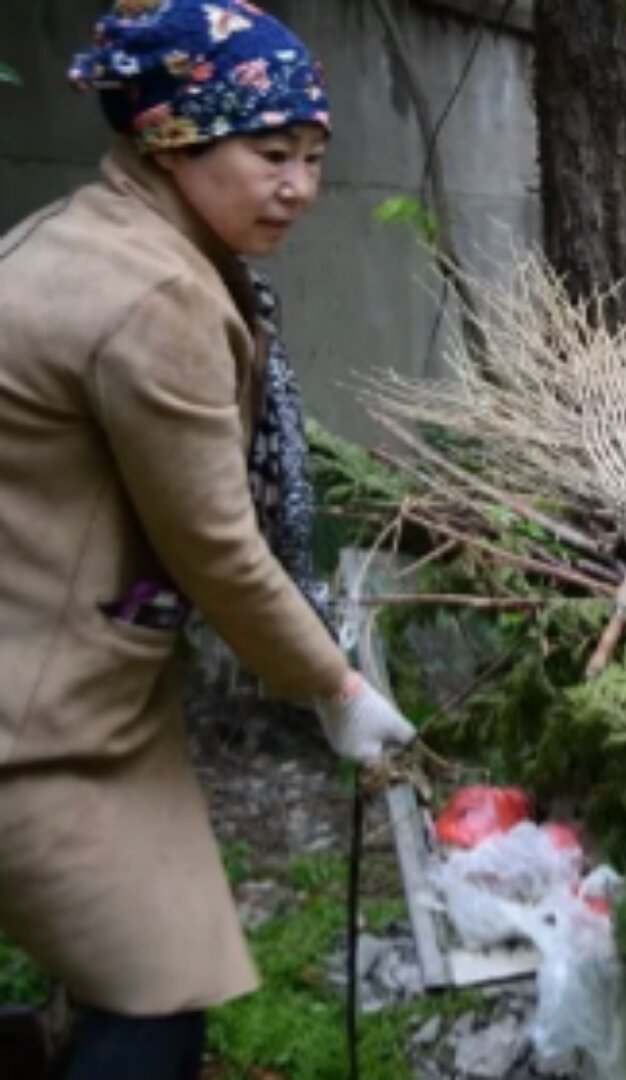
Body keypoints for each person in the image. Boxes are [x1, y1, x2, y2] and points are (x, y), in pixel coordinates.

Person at [0, 3, 416, 1077]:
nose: (302, 186)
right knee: (153, 996)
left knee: (129, 973)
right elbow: (217, 546)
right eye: (271, 153)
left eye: (317, 158)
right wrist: (334, 683)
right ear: (171, 139)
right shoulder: (154, 294)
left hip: (69, 672)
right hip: (39, 718)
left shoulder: (92, 231)